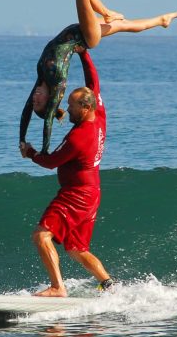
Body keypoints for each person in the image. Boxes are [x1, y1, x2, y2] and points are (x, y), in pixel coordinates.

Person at [20, 0, 177, 153]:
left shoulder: (41, 77)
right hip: (86, 35)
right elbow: (48, 121)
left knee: (126, 25)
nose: (35, 97)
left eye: (35, 101)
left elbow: (26, 112)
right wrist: (45, 151)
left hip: (79, 30)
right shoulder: (57, 83)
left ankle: (162, 20)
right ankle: (107, 13)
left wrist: (22, 140)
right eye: (39, 101)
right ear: (50, 101)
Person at [19, 47, 111, 297]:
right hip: (92, 193)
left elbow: (51, 162)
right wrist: (83, 54)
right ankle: (109, 285)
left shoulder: (80, 138)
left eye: (70, 106)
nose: (66, 109)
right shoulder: (99, 115)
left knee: (41, 236)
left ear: (85, 107)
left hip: (76, 195)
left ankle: (58, 288)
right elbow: (94, 82)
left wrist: (31, 153)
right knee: (76, 248)